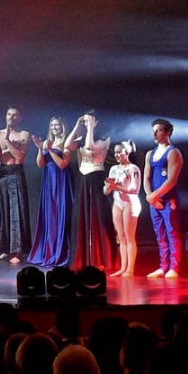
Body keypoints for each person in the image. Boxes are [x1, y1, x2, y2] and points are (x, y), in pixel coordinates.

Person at [26, 117, 73, 268]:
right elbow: (40, 164)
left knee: (60, 215)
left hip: (61, 181)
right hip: (48, 181)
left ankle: (60, 253)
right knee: (50, 216)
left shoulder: (67, 142)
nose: (54, 127)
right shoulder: (48, 142)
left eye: (57, 125)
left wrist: (51, 150)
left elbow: (62, 164)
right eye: (52, 125)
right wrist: (41, 148)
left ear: (62, 126)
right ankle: (49, 251)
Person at [68, 115, 112, 271]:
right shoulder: (82, 136)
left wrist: (91, 128)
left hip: (96, 177)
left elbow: (90, 146)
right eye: (86, 121)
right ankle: (82, 259)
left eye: (90, 120)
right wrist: (77, 124)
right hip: (84, 179)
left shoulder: (104, 139)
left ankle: (100, 259)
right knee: (82, 217)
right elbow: (68, 145)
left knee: (97, 217)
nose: (87, 123)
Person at [143, 118, 183, 278]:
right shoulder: (149, 154)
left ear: (167, 132)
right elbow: (146, 178)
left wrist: (154, 196)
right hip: (155, 201)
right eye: (153, 130)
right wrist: (150, 196)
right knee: (159, 234)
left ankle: (174, 267)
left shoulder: (173, 152)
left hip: (168, 200)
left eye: (158, 130)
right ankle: (163, 266)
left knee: (172, 232)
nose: (154, 133)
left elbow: (171, 180)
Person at [0, 107, 31, 263]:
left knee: (17, 212)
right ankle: (5, 249)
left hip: (16, 173)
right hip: (3, 174)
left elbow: (19, 157)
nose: (11, 117)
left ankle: (18, 252)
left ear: (19, 118)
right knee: (3, 212)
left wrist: (6, 140)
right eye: (8, 114)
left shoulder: (23, 135)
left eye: (14, 115)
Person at [105, 140, 141, 277]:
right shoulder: (113, 169)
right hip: (117, 202)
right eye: (115, 152)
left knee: (129, 236)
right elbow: (106, 191)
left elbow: (134, 189)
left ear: (127, 152)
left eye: (119, 152)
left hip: (130, 203)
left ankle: (130, 268)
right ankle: (122, 267)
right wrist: (108, 187)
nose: (117, 155)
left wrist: (117, 187)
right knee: (120, 237)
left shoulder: (133, 169)